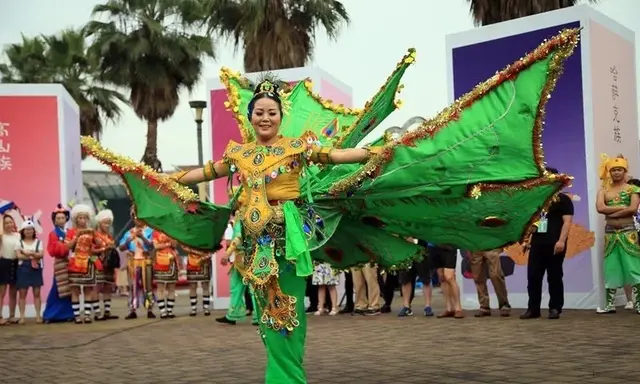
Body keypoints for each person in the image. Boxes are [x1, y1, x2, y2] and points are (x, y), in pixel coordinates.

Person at [81, 30, 582, 383]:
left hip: (289, 238)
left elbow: (339, 154)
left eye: (271, 112)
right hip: (252, 244)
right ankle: (283, 371)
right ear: (251, 117)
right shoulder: (237, 153)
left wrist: (386, 152)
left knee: (288, 310)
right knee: (266, 313)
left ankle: (286, 377)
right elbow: (202, 174)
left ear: (280, 116)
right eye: (258, 112)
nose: (264, 117)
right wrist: (162, 176)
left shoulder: (296, 146)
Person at [521, 167, 574, 320]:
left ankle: (555, 307)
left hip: (555, 243)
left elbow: (567, 222)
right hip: (537, 243)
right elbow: (531, 223)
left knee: (555, 276)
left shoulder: (563, 199)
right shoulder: (536, 200)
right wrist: (526, 240)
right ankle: (533, 309)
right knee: (533, 277)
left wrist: (561, 241)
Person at [595, 155, 640, 314]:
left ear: (625, 171)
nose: (616, 173)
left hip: (628, 232)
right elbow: (600, 208)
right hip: (610, 234)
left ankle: (639, 303)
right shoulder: (603, 191)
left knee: (634, 267)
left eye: (619, 169)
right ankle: (609, 305)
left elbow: (633, 208)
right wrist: (621, 207)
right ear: (609, 172)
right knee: (611, 268)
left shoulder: (633, 189)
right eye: (613, 170)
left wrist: (611, 213)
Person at [217, 213, 259, 326]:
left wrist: (227, 254)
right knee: (237, 287)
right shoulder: (244, 216)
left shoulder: (243, 216)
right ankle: (233, 314)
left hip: (245, 257)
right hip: (242, 258)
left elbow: (238, 238)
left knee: (251, 288)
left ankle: (257, 316)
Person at [65, 204, 98, 324]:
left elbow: (98, 245)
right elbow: (67, 246)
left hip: (88, 262)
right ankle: (77, 316)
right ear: (76, 219)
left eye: (85, 218)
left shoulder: (91, 232)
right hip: (74, 261)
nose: (82, 220)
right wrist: (76, 236)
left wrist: (95, 235)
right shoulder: (71, 232)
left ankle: (88, 315)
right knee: (75, 290)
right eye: (80, 218)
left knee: (88, 289)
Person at [119, 216, 156, 320]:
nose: (137, 220)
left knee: (147, 286)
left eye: (139, 217)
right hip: (133, 262)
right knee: (133, 287)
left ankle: (150, 309)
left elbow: (151, 246)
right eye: (135, 218)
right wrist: (128, 241)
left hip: (145, 260)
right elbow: (121, 247)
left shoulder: (150, 231)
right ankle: (133, 310)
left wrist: (143, 237)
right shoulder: (130, 232)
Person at [43, 204, 74, 323]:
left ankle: (67, 313)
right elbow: (52, 249)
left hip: (69, 262)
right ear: (54, 220)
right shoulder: (53, 234)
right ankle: (50, 314)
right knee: (57, 288)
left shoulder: (69, 232)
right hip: (60, 262)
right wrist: (66, 246)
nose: (61, 220)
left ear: (66, 218)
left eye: (62, 217)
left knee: (68, 288)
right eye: (58, 218)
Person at [14, 220, 44, 323]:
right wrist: (32, 255)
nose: (29, 231)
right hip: (23, 269)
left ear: (34, 231)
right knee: (22, 293)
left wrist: (27, 254)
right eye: (26, 229)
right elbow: (18, 256)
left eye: (31, 229)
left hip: (35, 269)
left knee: (37, 293)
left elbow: (41, 255)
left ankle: (38, 316)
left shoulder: (39, 242)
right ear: (23, 231)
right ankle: (22, 317)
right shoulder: (19, 242)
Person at [93, 207, 119, 320]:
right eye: (105, 223)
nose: (107, 225)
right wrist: (103, 249)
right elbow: (90, 250)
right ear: (99, 223)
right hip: (97, 263)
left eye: (109, 223)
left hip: (109, 265)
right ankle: (97, 313)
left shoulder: (109, 236)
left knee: (108, 287)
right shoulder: (93, 234)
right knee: (97, 287)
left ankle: (107, 312)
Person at [470, 248, 511, 317]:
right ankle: (484, 307)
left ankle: (504, 304)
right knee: (478, 277)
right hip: (475, 247)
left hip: (491, 246)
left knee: (496, 275)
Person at [397, 238, 433, 317]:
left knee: (426, 280)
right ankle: (406, 306)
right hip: (405, 252)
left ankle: (428, 306)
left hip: (421, 250)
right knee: (405, 280)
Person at [151, 230, 179, 319]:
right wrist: (167, 244)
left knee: (171, 288)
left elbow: (174, 245)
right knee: (160, 288)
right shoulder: (155, 232)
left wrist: (172, 236)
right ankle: (163, 311)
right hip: (160, 262)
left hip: (172, 262)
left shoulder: (172, 230)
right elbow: (156, 246)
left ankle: (170, 311)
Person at [432, 245, 464, 318]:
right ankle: (449, 308)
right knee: (442, 278)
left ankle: (458, 308)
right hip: (434, 247)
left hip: (449, 247)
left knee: (449, 277)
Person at [0, 213, 19, 324]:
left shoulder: (18, 235)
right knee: (1, 292)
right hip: (3, 263)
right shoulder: (1, 236)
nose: (8, 224)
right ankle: (0, 316)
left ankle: (12, 315)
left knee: (13, 291)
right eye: (6, 223)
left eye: (10, 222)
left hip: (15, 263)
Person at [185, 247, 212, 316]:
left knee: (205, 285)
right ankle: (193, 309)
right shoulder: (189, 236)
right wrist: (197, 252)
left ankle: (206, 308)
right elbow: (184, 247)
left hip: (205, 261)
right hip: (192, 261)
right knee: (192, 286)